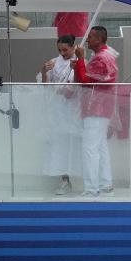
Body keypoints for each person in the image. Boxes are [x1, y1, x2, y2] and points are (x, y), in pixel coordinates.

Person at [73, 26, 119, 197]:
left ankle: (92, 188)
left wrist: (80, 60)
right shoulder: (106, 56)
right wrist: (81, 64)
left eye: (91, 37)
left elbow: (87, 80)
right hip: (101, 108)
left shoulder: (101, 59)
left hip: (95, 108)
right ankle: (105, 184)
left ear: (99, 39)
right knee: (100, 147)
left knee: (90, 149)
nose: (87, 40)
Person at [38, 34, 81, 195]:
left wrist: (64, 90)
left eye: (65, 49)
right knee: (59, 147)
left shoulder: (78, 63)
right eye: (60, 50)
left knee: (72, 147)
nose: (62, 53)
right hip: (57, 112)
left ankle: (76, 179)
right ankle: (64, 179)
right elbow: (45, 86)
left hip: (73, 112)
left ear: (73, 47)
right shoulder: (53, 63)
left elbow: (74, 90)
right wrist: (44, 71)